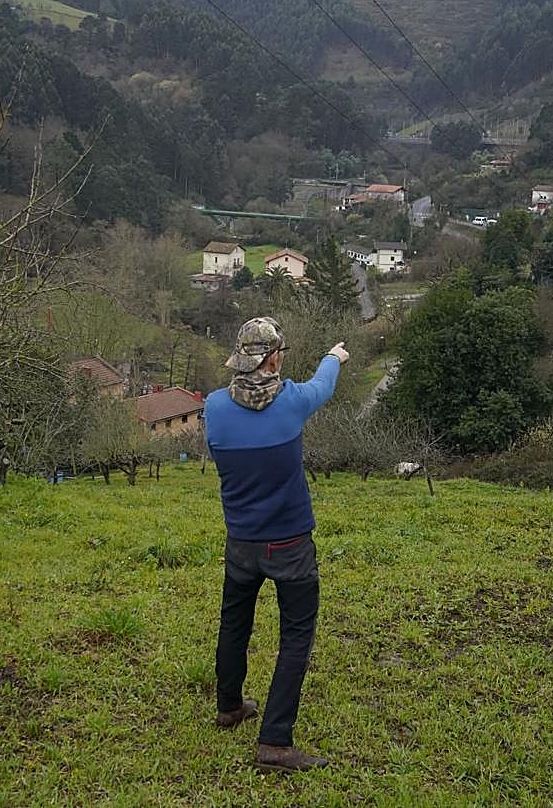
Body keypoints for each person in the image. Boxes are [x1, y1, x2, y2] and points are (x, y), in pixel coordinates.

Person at [203, 316, 349, 772]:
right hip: (289, 545)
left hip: (241, 543)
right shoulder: (292, 402)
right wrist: (334, 356)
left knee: (234, 624)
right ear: (273, 359)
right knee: (295, 637)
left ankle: (229, 706)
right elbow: (323, 386)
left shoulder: (212, 407)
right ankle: (275, 743)